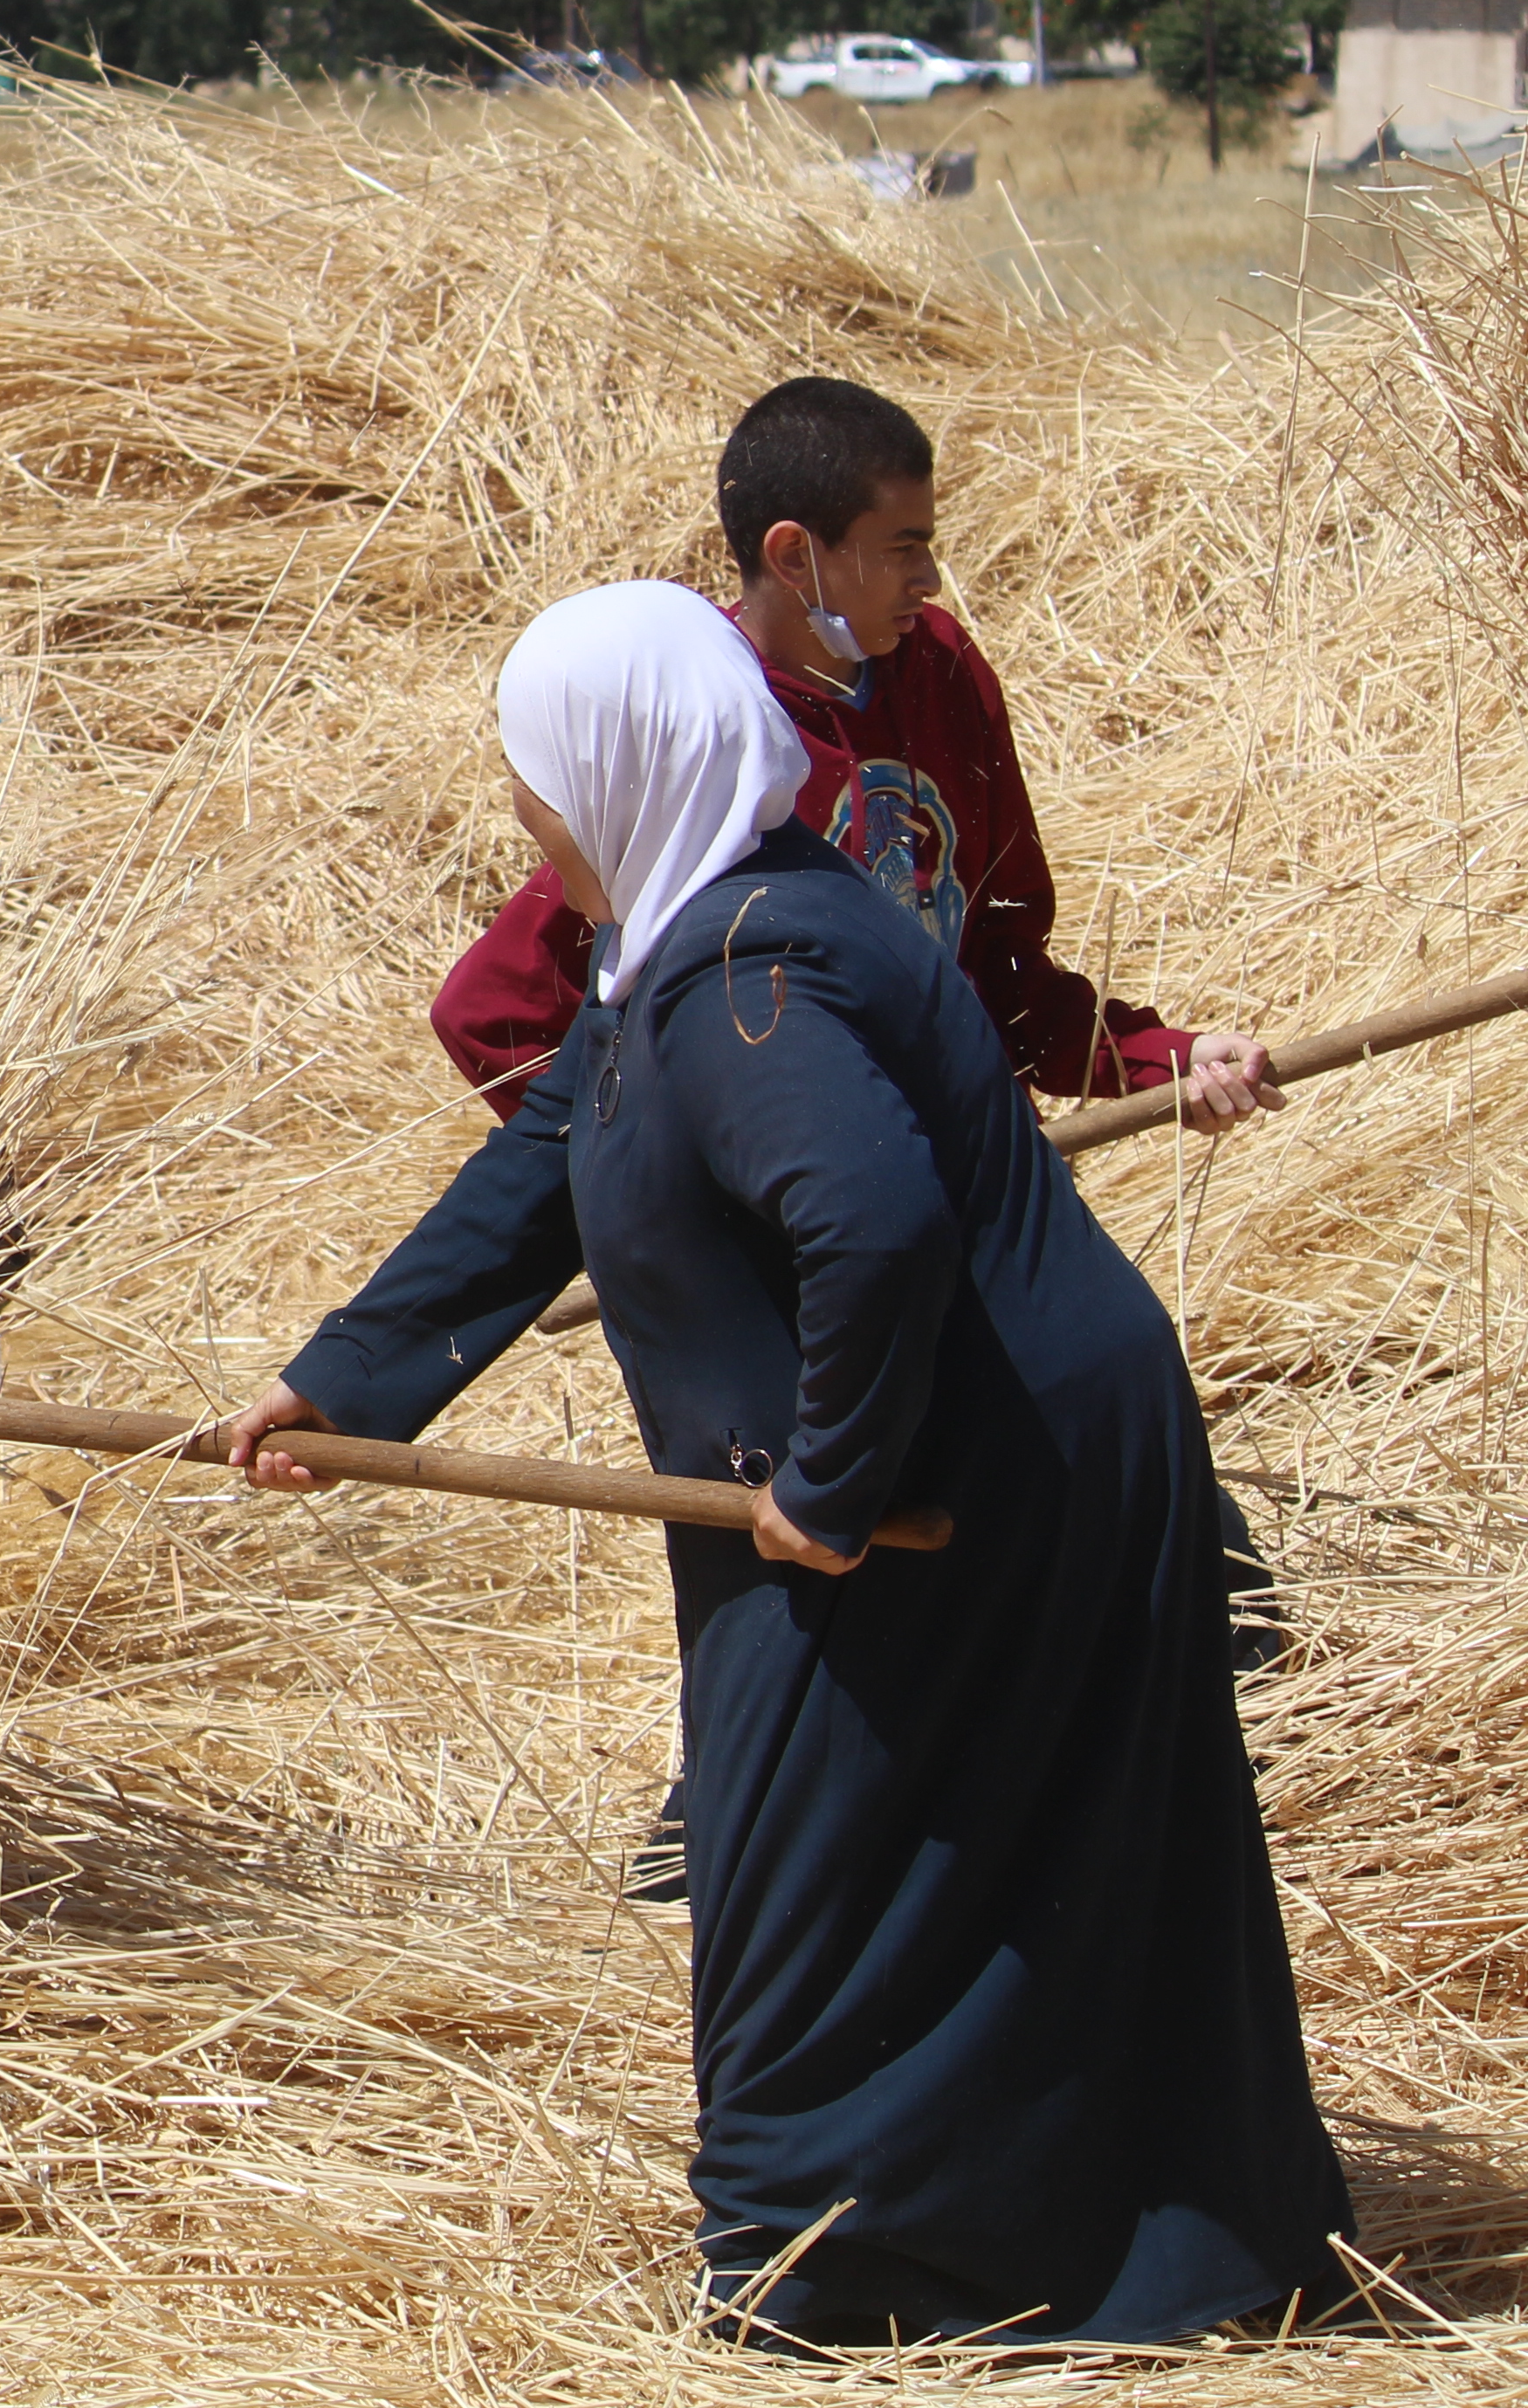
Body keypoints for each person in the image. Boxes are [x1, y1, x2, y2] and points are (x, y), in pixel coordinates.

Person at [227, 583, 1349, 2350]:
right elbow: (545, 1165)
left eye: (537, 777)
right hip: (947, 1458)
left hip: (955, 1484)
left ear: (617, 770)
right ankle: (1098, 2254)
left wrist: (826, 1483)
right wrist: (347, 1383)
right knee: (940, 1864)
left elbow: (879, 1227)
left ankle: (835, 2271)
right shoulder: (686, 932)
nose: (523, 811)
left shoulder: (750, 971)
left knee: (828, 1878)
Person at [434, 375, 1277, 1126]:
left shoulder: (941, 672)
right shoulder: (700, 730)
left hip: (977, 1177)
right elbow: (492, 1012)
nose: (931, 578)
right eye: (904, 547)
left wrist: (1155, 1058)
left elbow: (1001, 968)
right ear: (797, 555)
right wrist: (674, 1191)